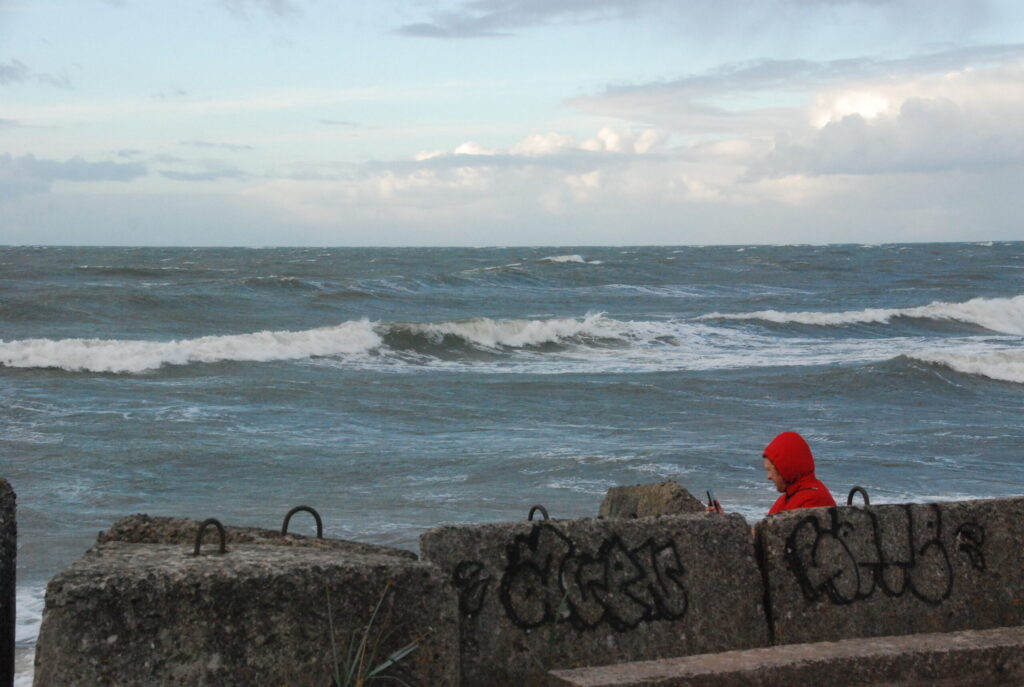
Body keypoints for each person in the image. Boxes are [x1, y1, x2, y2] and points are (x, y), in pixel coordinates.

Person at [707, 431, 836, 515]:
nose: (768, 477)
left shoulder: (812, 501)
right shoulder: (790, 497)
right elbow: (761, 536)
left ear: (785, 469)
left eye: (770, 470)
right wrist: (723, 519)